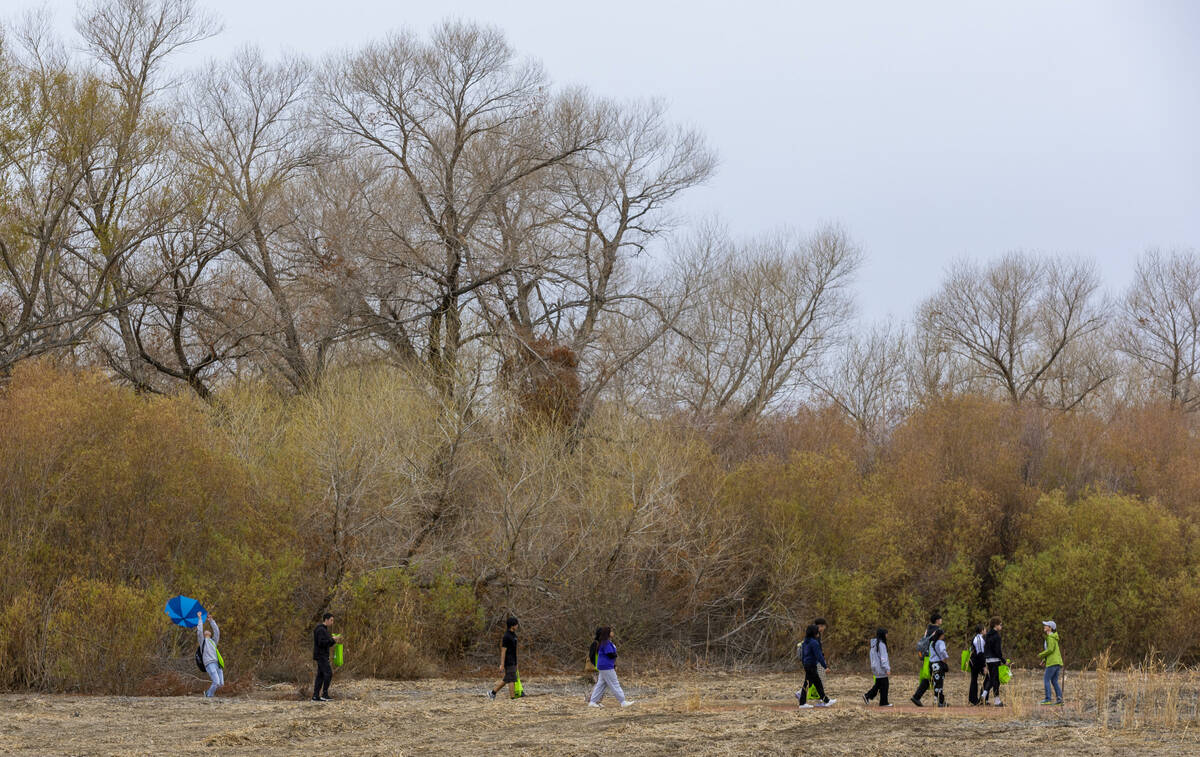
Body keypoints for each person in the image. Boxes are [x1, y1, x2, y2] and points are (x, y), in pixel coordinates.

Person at [588, 627, 634, 707]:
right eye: (611, 631)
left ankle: (593, 702)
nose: (612, 632)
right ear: (607, 633)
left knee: (601, 684)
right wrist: (615, 655)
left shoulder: (604, 642)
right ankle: (623, 702)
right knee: (614, 683)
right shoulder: (605, 642)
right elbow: (610, 654)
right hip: (606, 666)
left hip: (603, 666)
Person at [795, 624, 836, 708]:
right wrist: (825, 667)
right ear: (814, 633)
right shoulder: (814, 642)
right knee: (817, 683)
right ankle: (825, 701)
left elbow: (803, 655)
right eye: (817, 631)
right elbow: (819, 656)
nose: (818, 633)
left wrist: (804, 664)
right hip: (811, 665)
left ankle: (803, 703)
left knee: (809, 683)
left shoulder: (805, 641)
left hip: (807, 665)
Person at [910, 611, 942, 707]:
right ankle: (939, 701)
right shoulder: (937, 630)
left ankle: (917, 697)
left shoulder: (928, 629)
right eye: (940, 619)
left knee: (929, 678)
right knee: (936, 677)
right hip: (934, 657)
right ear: (937, 620)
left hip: (926, 656)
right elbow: (937, 644)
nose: (941, 620)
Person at [488, 617, 520, 700]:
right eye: (516, 624)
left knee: (507, 679)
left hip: (513, 660)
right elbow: (503, 651)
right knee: (511, 679)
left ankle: (492, 693)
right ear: (512, 625)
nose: (517, 625)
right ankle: (513, 699)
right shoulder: (506, 636)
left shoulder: (514, 635)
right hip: (508, 661)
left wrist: (516, 662)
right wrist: (502, 664)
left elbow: (515, 650)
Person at [312, 612, 340, 702]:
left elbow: (327, 643)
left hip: (322, 655)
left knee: (320, 675)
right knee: (328, 673)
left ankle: (315, 696)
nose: (332, 622)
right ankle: (324, 694)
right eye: (331, 620)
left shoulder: (324, 629)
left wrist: (334, 640)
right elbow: (321, 643)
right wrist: (332, 639)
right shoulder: (320, 630)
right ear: (326, 620)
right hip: (321, 655)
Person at [863, 627, 892, 707]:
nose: (887, 635)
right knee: (885, 684)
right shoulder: (881, 645)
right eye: (886, 634)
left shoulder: (874, 645)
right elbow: (883, 658)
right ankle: (883, 702)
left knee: (879, 684)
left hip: (875, 667)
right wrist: (887, 668)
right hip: (881, 668)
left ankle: (867, 696)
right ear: (883, 635)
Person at [196, 611, 222, 698]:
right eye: (205, 631)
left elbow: (217, 632)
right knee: (216, 682)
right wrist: (200, 619)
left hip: (217, 663)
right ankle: (209, 696)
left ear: (210, 634)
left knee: (221, 683)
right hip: (209, 663)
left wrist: (211, 621)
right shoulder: (202, 642)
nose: (207, 631)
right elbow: (199, 631)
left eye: (208, 631)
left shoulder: (213, 641)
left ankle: (208, 693)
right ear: (204, 634)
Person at [1038, 620, 1063, 705]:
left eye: (1046, 625)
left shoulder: (1051, 637)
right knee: (1054, 681)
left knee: (1046, 679)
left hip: (1052, 662)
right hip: (1057, 662)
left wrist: (1041, 654)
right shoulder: (1052, 637)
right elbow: (1052, 651)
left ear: (1050, 628)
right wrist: (1044, 660)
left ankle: (1048, 699)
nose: (1044, 626)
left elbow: (1050, 650)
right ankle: (1059, 700)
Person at [981, 616, 1005, 706]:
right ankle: (997, 700)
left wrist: (985, 660)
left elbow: (985, 649)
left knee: (991, 678)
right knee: (996, 681)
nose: (1001, 626)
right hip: (995, 660)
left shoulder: (987, 635)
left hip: (988, 660)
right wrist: (1003, 660)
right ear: (996, 625)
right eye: (1000, 624)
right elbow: (997, 651)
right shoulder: (997, 636)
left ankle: (984, 694)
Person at [928, 628, 950, 707]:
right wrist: (945, 658)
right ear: (941, 635)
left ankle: (936, 700)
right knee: (940, 684)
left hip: (932, 664)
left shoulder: (931, 643)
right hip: (938, 664)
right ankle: (939, 702)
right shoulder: (941, 642)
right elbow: (943, 651)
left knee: (935, 683)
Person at [968, 623, 988, 705]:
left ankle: (974, 699)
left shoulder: (976, 638)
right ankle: (978, 699)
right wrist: (984, 666)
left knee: (974, 680)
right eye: (984, 629)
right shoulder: (979, 639)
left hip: (974, 661)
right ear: (981, 630)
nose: (986, 630)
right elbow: (980, 653)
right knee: (988, 677)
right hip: (977, 662)